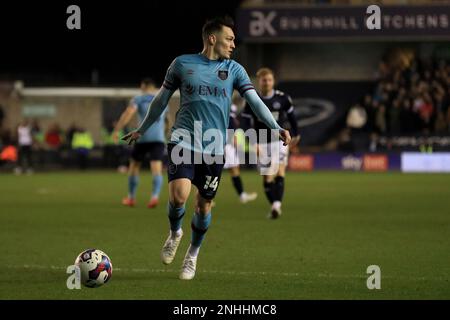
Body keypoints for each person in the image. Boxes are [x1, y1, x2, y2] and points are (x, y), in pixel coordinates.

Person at [122, 16, 291, 280]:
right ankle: (175, 232)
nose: (234, 44)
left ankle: (192, 254)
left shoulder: (235, 69)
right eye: (230, 38)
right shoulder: (182, 64)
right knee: (179, 196)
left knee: (203, 206)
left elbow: (256, 102)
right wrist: (141, 129)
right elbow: (160, 101)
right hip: (183, 139)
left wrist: (274, 126)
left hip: (213, 145)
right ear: (212, 38)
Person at [241, 67, 300, 219]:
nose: (266, 82)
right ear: (259, 82)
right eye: (263, 80)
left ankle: (276, 205)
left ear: (273, 81)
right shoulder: (252, 100)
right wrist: (253, 144)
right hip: (261, 142)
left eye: (269, 80)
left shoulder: (283, 98)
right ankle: (275, 204)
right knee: (267, 177)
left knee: (280, 171)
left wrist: (296, 134)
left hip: (279, 141)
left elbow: (292, 117)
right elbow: (245, 124)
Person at [113, 78, 168, 208]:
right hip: (158, 139)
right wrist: (164, 134)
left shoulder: (138, 99)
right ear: (154, 88)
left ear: (143, 86)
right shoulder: (162, 99)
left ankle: (131, 197)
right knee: (156, 169)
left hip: (142, 138)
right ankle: (154, 197)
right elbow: (167, 121)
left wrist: (117, 129)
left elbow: (128, 113)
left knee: (134, 167)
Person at [223, 99, 257, 203]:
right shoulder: (223, 101)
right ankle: (205, 197)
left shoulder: (228, 101)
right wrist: (231, 135)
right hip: (225, 139)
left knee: (233, 168)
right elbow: (226, 120)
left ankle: (242, 195)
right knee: (228, 168)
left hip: (225, 139)